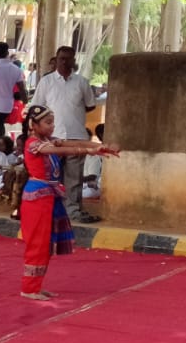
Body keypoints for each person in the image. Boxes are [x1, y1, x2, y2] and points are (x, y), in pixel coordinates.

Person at [19, 105, 119, 300]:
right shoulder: (33, 144)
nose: (52, 126)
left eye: (52, 122)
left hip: (50, 196)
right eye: (48, 123)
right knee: (38, 242)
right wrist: (89, 151)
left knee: (46, 242)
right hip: (38, 198)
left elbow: (72, 142)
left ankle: (35, 286)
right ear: (33, 125)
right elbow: (65, 149)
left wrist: (100, 146)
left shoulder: (47, 141)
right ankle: (29, 288)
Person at [30, 46, 99, 223]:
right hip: (53, 138)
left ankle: (73, 212)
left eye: (68, 59)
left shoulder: (82, 82)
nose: (65, 62)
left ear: (74, 60)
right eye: (61, 58)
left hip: (76, 135)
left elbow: (90, 105)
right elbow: (36, 107)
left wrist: (73, 113)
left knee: (74, 177)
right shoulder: (46, 82)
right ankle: (52, 210)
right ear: (56, 59)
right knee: (52, 176)